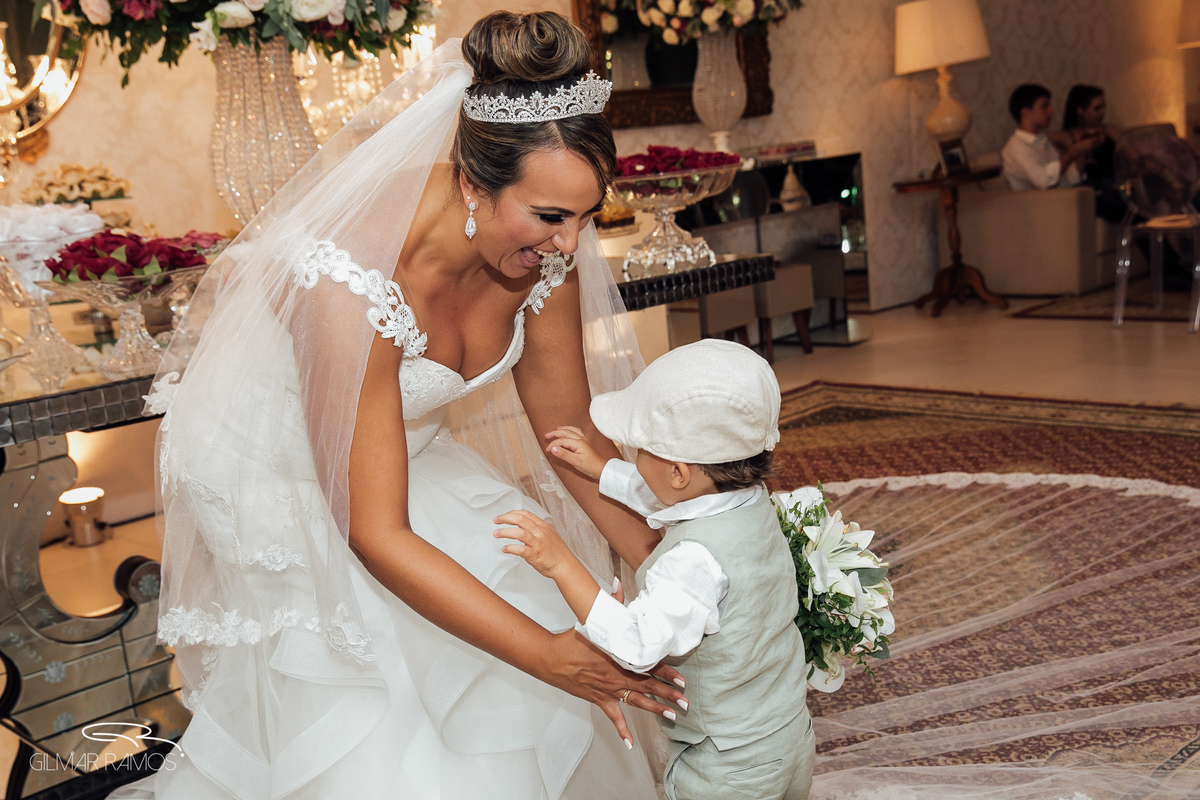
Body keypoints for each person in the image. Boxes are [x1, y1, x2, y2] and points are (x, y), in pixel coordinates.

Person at [119, 11, 687, 799]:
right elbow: (373, 530)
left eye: (587, 216)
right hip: (268, 468)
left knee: (512, 592)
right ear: (470, 183)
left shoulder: (541, 259)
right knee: (384, 682)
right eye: (551, 217)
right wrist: (547, 655)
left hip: (400, 450)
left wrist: (683, 565)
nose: (571, 244)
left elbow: (571, 434)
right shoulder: (349, 277)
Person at [495, 340, 815, 800]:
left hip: (725, 768)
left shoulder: (692, 560)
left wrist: (562, 564)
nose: (633, 456)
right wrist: (603, 469)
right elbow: (676, 498)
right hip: (788, 735)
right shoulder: (746, 499)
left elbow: (637, 645)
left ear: (680, 472)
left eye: (639, 449)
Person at [1001, 83, 1100, 192]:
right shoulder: (1016, 147)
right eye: (1044, 106)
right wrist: (1072, 152)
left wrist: (1082, 151)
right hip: (1039, 207)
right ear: (1026, 113)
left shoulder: (1042, 141)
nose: (1051, 111)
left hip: (1061, 201)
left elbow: (1067, 180)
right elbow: (1044, 182)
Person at [1050, 84, 1120, 189]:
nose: (1103, 112)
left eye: (1103, 107)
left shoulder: (1110, 130)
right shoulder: (1066, 136)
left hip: (1114, 185)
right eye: (1097, 108)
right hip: (1086, 189)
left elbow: (1131, 154)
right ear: (1080, 111)